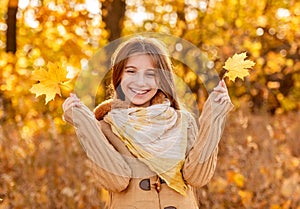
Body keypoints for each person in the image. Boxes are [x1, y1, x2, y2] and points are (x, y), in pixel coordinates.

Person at [62, 36, 233, 209]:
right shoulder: (105, 126)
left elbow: (197, 177)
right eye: (131, 71)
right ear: (119, 74)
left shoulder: (183, 122)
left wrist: (214, 116)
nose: (140, 82)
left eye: (151, 74)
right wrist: (84, 122)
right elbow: (117, 181)